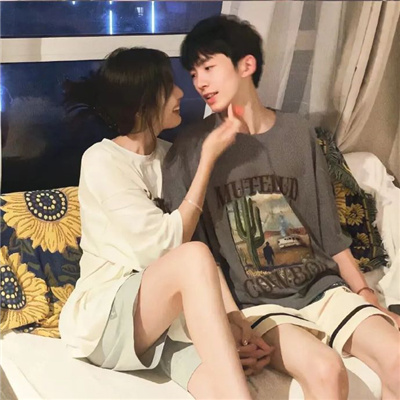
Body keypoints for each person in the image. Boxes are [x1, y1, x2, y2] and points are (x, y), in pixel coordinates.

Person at [162, 15, 400, 400]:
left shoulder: (297, 132)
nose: (199, 82)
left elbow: (328, 230)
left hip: (323, 288)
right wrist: (231, 322)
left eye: (208, 67)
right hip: (256, 302)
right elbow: (194, 252)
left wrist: (363, 291)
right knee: (326, 369)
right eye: (193, 73)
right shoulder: (189, 150)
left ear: (246, 65)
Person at [59, 47, 267, 400]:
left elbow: (202, 253)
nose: (181, 93)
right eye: (169, 87)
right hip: (108, 318)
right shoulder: (102, 160)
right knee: (191, 255)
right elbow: (167, 248)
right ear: (143, 102)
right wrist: (205, 162)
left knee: (225, 385)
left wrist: (235, 320)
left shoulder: (169, 155)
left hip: (165, 321)